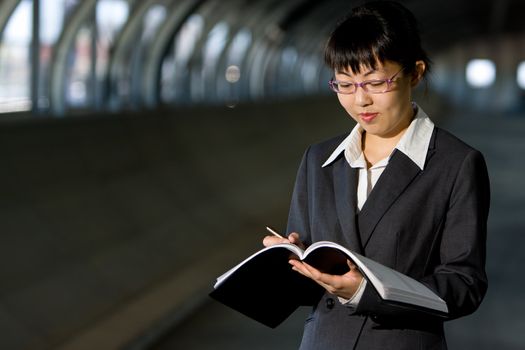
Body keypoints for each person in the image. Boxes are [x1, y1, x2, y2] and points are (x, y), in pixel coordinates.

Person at [262, 1, 490, 349]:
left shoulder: (455, 163)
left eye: (375, 82)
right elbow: (307, 280)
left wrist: (369, 293)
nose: (361, 101)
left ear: (415, 72)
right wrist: (286, 260)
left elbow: (464, 284)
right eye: (345, 84)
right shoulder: (319, 160)